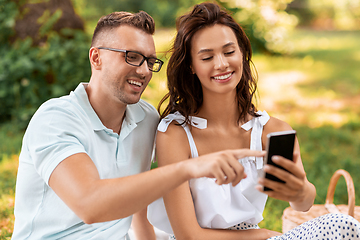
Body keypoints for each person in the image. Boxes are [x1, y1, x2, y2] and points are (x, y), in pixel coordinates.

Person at [11, 10, 266, 240]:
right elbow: (90, 204)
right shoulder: (55, 119)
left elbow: (138, 205)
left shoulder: (146, 119)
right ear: (96, 57)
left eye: (150, 61)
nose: (144, 71)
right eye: (132, 57)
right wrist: (188, 168)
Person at [148, 2, 360, 240]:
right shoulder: (175, 134)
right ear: (191, 66)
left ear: (242, 53)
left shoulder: (272, 130)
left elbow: (303, 205)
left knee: (344, 224)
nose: (221, 64)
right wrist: (262, 235)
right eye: (207, 57)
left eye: (229, 52)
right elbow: (188, 234)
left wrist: (300, 191)